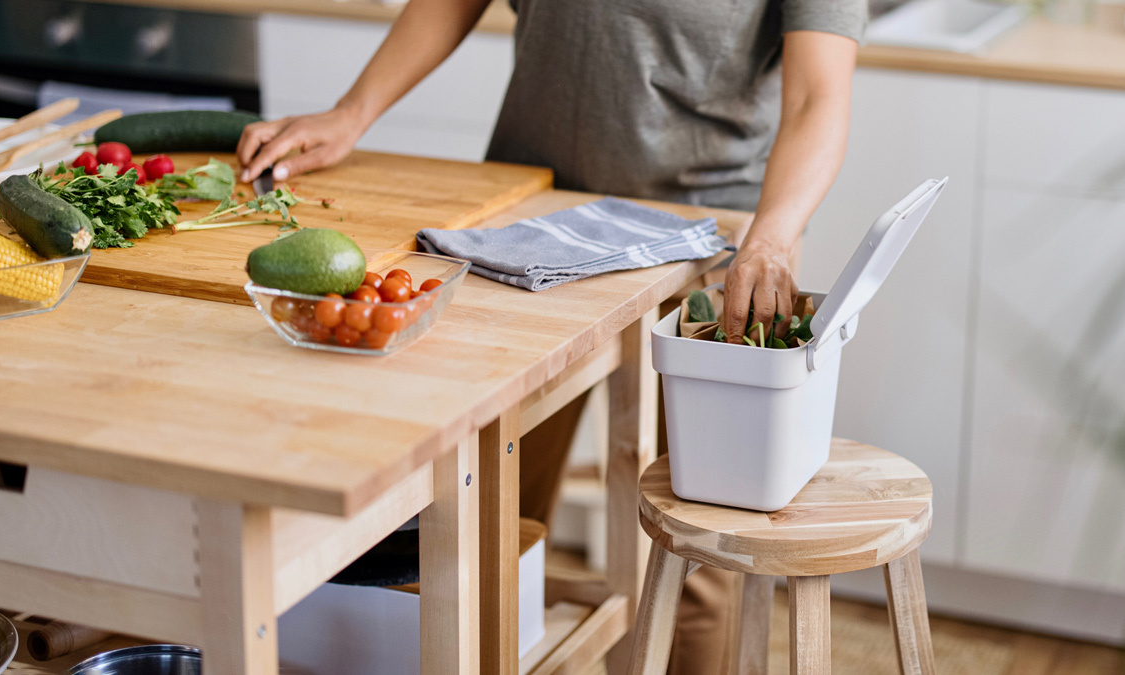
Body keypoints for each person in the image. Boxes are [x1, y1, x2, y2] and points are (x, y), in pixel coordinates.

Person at [239, 0, 865, 671]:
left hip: (707, 245)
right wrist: (353, 111)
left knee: (697, 552)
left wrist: (768, 238)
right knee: (485, 518)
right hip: (531, 233)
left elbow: (818, 96)